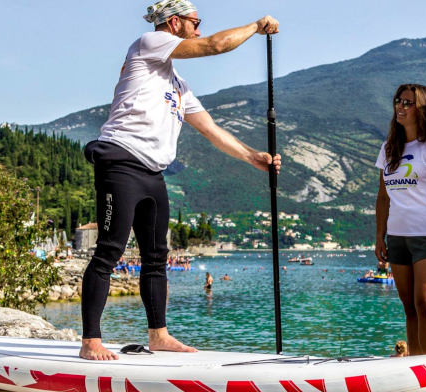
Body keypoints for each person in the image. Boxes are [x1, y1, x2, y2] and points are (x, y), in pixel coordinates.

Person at [79, 0, 281, 361]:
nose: (199, 29)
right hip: (121, 160)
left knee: (156, 257)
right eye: (195, 22)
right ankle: (91, 341)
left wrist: (253, 157)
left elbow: (211, 130)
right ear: (174, 23)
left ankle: (159, 335)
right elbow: (214, 46)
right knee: (110, 249)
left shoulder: (177, 84)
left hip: (153, 172)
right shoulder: (148, 43)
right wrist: (256, 26)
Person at [375, 84, 426, 356]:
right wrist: (379, 237)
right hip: (397, 238)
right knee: (409, 306)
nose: (401, 106)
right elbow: (383, 198)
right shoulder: (388, 148)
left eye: (408, 103)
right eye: (398, 100)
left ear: (424, 110)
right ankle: (416, 369)